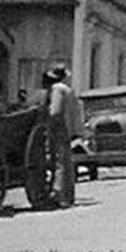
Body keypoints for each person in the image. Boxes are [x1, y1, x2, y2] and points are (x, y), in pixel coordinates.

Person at [43, 64, 79, 207]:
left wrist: (48, 125)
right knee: (66, 162)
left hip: (58, 128)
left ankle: (59, 194)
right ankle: (68, 195)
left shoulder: (57, 90)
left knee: (59, 162)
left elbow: (55, 112)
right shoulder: (68, 90)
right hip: (68, 128)